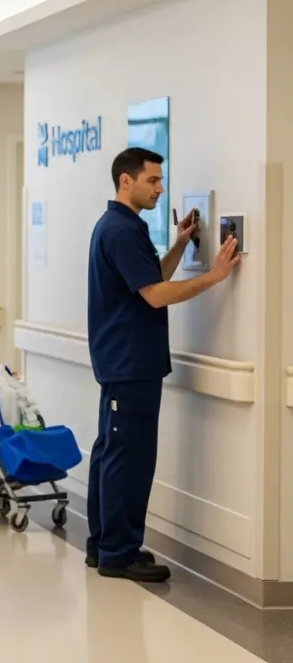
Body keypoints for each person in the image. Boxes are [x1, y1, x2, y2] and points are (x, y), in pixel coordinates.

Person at [86, 147, 239, 582]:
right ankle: (118, 552)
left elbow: (149, 278)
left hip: (126, 362)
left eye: (160, 180)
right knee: (127, 458)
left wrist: (178, 246)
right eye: (152, 180)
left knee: (111, 453)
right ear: (125, 182)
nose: (160, 188)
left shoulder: (121, 226)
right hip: (130, 362)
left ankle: (103, 545)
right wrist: (212, 277)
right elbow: (154, 295)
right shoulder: (119, 229)